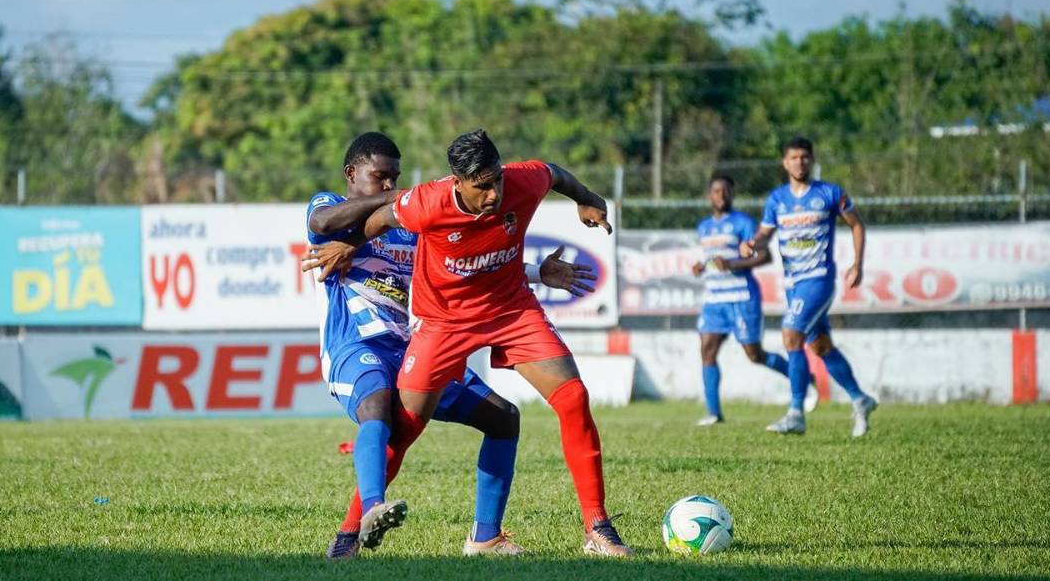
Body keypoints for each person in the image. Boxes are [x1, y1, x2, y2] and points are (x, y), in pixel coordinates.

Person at [306, 129, 633, 556]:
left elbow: (546, 181)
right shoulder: (363, 205)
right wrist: (352, 240)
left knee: (524, 411)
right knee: (387, 413)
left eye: (395, 178)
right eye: (380, 177)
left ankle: (551, 532)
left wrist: (550, 256)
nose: (495, 193)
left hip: (486, 315)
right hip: (381, 340)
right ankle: (358, 525)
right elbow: (323, 224)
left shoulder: (510, 185)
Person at [739, 136, 879, 437]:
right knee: (820, 346)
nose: (799, 162)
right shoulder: (777, 200)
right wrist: (752, 243)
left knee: (791, 336)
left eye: (804, 157)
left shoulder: (830, 193)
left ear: (812, 160)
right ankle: (860, 398)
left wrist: (858, 264)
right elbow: (764, 234)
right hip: (792, 284)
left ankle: (796, 413)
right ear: (784, 162)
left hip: (818, 279)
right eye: (793, 157)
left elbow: (856, 224)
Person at [691, 173, 815, 426]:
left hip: (742, 297)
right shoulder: (703, 227)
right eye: (717, 191)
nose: (721, 195)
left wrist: (734, 264)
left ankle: (802, 379)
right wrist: (700, 267)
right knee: (707, 350)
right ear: (709, 195)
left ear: (732, 194)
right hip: (715, 298)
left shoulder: (744, 223)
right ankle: (714, 413)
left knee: (754, 355)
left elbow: (765, 256)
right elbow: (713, 259)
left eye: (726, 191)